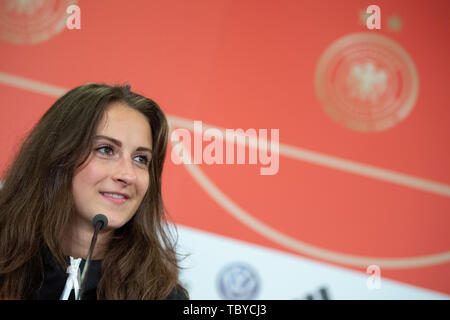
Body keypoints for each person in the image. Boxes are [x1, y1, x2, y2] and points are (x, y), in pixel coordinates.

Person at [0, 83, 188, 300]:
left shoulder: (162, 296)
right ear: (58, 155)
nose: (128, 175)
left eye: (140, 159)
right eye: (106, 150)